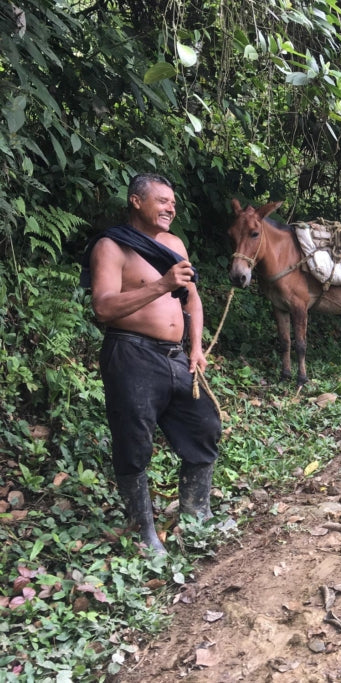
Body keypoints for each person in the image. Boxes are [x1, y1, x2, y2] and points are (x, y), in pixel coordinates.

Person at [82, 173, 222, 555]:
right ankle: (144, 532)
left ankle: (196, 512)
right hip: (131, 354)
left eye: (173, 202)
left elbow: (191, 299)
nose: (170, 208)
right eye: (161, 201)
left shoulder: (175, 244)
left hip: (177, 357)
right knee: (134, 441)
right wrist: (161, 284)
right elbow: (103, 307)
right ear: (136, 202)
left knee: (204, 425)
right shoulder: (112, 246)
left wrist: (196, 347)